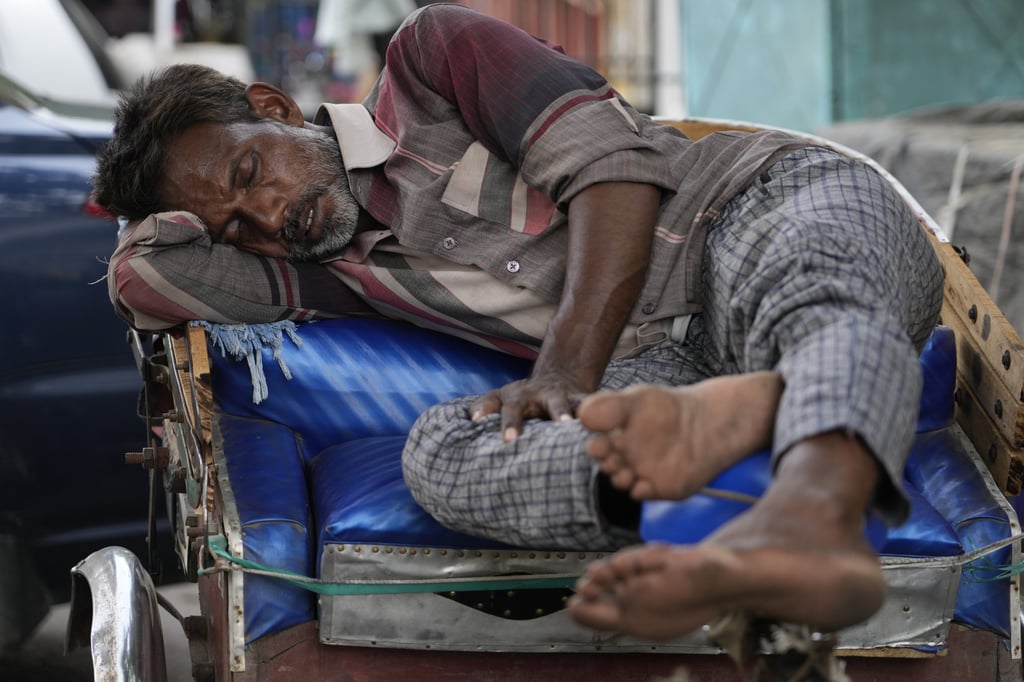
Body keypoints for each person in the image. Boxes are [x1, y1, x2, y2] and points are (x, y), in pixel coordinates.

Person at [92, 4, 944, 640]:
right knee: (441, 456)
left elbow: (614, 170)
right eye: (234, 226)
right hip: (658, 375)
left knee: (815, 290)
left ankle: (810, 513)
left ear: (275, 107)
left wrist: (566, 373)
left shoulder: (430, 62)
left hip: (747, 210)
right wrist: (187, 217)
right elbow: (142, 276)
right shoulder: (330, 270)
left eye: (251, 171)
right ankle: (745, 439)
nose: (268, 218)